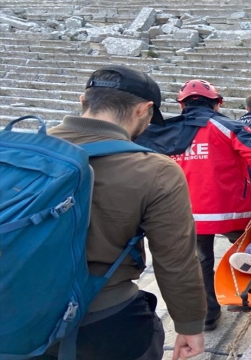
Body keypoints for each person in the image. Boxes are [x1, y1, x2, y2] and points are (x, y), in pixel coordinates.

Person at [41, 65, 207, 359]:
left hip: (14, 311)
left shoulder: (20, 152)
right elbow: (176, 260)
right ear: (144, 110)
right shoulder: (155, 170)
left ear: (83, 101)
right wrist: (189, 325)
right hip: (103, 317)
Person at [135, 79, 251, 331]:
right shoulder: (226, 125)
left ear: (182, 106)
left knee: (201, 263)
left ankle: (208, 315)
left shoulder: (164, 131)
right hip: (232, 211)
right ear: (217, 103)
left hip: (187, 213)